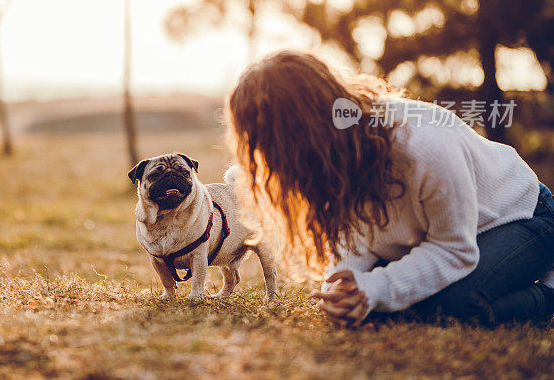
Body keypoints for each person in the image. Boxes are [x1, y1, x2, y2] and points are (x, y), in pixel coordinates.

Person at [227, 50, 554, 327]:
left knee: (454, 305)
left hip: (522, 216)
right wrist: (342, 286)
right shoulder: (333, 154)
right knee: (396, 304)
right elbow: (356, 232)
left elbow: (454, 248)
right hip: (439, 237)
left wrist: (375, 289)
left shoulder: (423, 146)